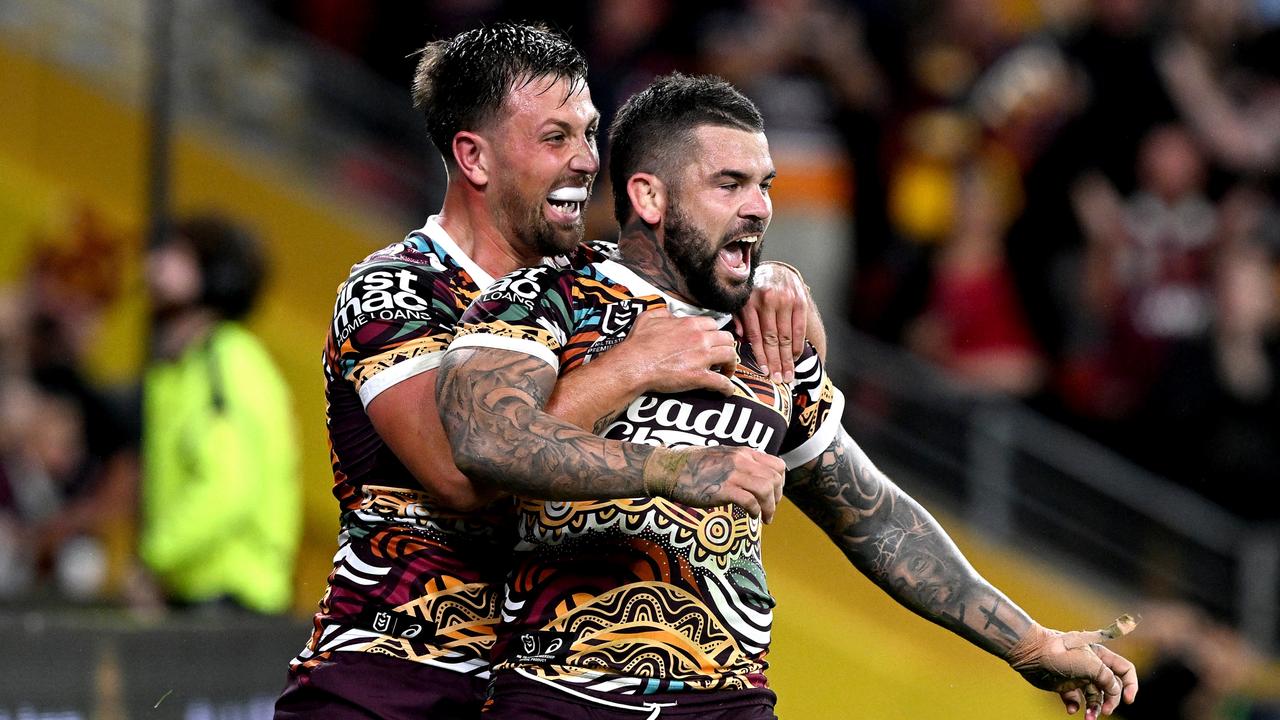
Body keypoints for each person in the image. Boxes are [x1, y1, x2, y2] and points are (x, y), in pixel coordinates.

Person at [436, 73, 1140, 720]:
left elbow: (873, 516)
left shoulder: (766, 331)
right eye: (730, 184)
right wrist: (669, 448)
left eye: (764, 184)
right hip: (559, 695)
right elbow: (485, 441)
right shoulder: (541, 299)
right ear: (649, 196)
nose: (760, 208)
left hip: (729, 701)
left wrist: (1028, 642)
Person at [276, 23, 818, 720]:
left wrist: (769, 278)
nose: (588, 161)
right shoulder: (398, 289)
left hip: (538, 693)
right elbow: (462, 474)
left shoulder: (595, 289)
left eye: (590, 135)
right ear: (475, 157)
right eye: (556, 138)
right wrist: (630, 366)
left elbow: (779, 341)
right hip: (392, 681)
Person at [136, 215, 301, 615]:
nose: (154, 265)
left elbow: (228, 488)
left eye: (177, 255)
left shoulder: (224, 361)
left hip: (229, 597)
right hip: (204, 593)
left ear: (215, 275)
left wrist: (153, 559)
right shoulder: (190, 365)